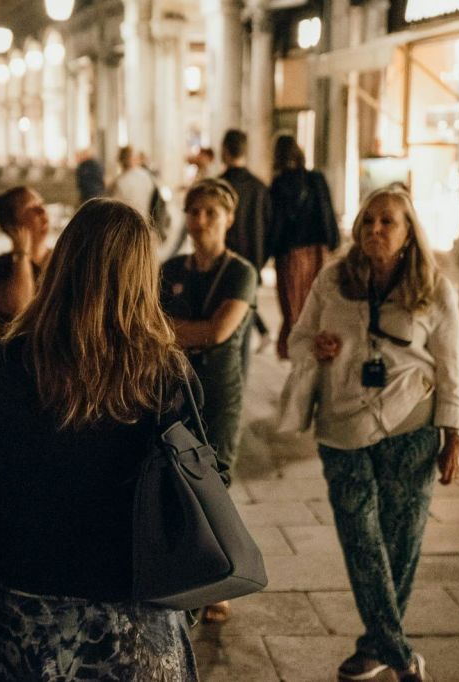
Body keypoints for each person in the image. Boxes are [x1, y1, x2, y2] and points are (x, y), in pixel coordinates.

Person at [0, 198, 200, 680]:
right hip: (137, 619)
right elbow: (206, 475)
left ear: (64, 263)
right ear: (141, 276)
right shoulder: (166, 372)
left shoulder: (1, 361)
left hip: (25, 619)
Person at [286, 186, 459, 681]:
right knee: (362, 540)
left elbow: (452, 365)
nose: (375, 230)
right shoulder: (332, 278)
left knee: (401, 542)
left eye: (387, 222)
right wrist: (315, 345)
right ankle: (400, 654)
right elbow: (297, 338)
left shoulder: (434, 287)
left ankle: (376, 645)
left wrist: (455, 436)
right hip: (341, 426)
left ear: (408, 235)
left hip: (412, 425)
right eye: (368, 221)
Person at [160, 179, 257, 623]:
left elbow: (218, 332)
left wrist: (173, 331)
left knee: (215, 479)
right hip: (173, 388)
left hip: (219, 390)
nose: (200, 222)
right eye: (194, 212)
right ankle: (185, 572)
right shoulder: (171, 269)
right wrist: (181, 331)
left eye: (210, 214)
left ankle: (220, 579)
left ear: (228, 219)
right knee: (173, 475)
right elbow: (152, 325)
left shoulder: (240, 272)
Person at [270, 134, 339, 359]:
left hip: (290, 256)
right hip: (318, 252)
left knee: (294, 309)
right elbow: (327, 212)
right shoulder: (316, 179)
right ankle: (315, 354)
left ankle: (299, 356)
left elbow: (276, 224)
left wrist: (273, 250)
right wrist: (333, 242)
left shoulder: (279, 184)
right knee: (318, 304)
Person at [220, 129, 273, 362]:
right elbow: (269, 226)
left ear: (224, 150)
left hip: (225, 259)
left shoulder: (221, 185)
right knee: (246, 308)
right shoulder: (260, 187)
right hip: (254, 258)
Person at [0, 186, 52, 334]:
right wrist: (22, 255)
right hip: (14, 354)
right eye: (32, 208)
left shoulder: (62, 258)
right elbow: (21, 307)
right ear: (12, 227)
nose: (42, 211)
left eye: (42, 204)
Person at [107, 145, 157, 218]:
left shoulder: (120, 182)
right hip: (145, 218)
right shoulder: (146, 176)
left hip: (127, 221)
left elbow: (114, 206)